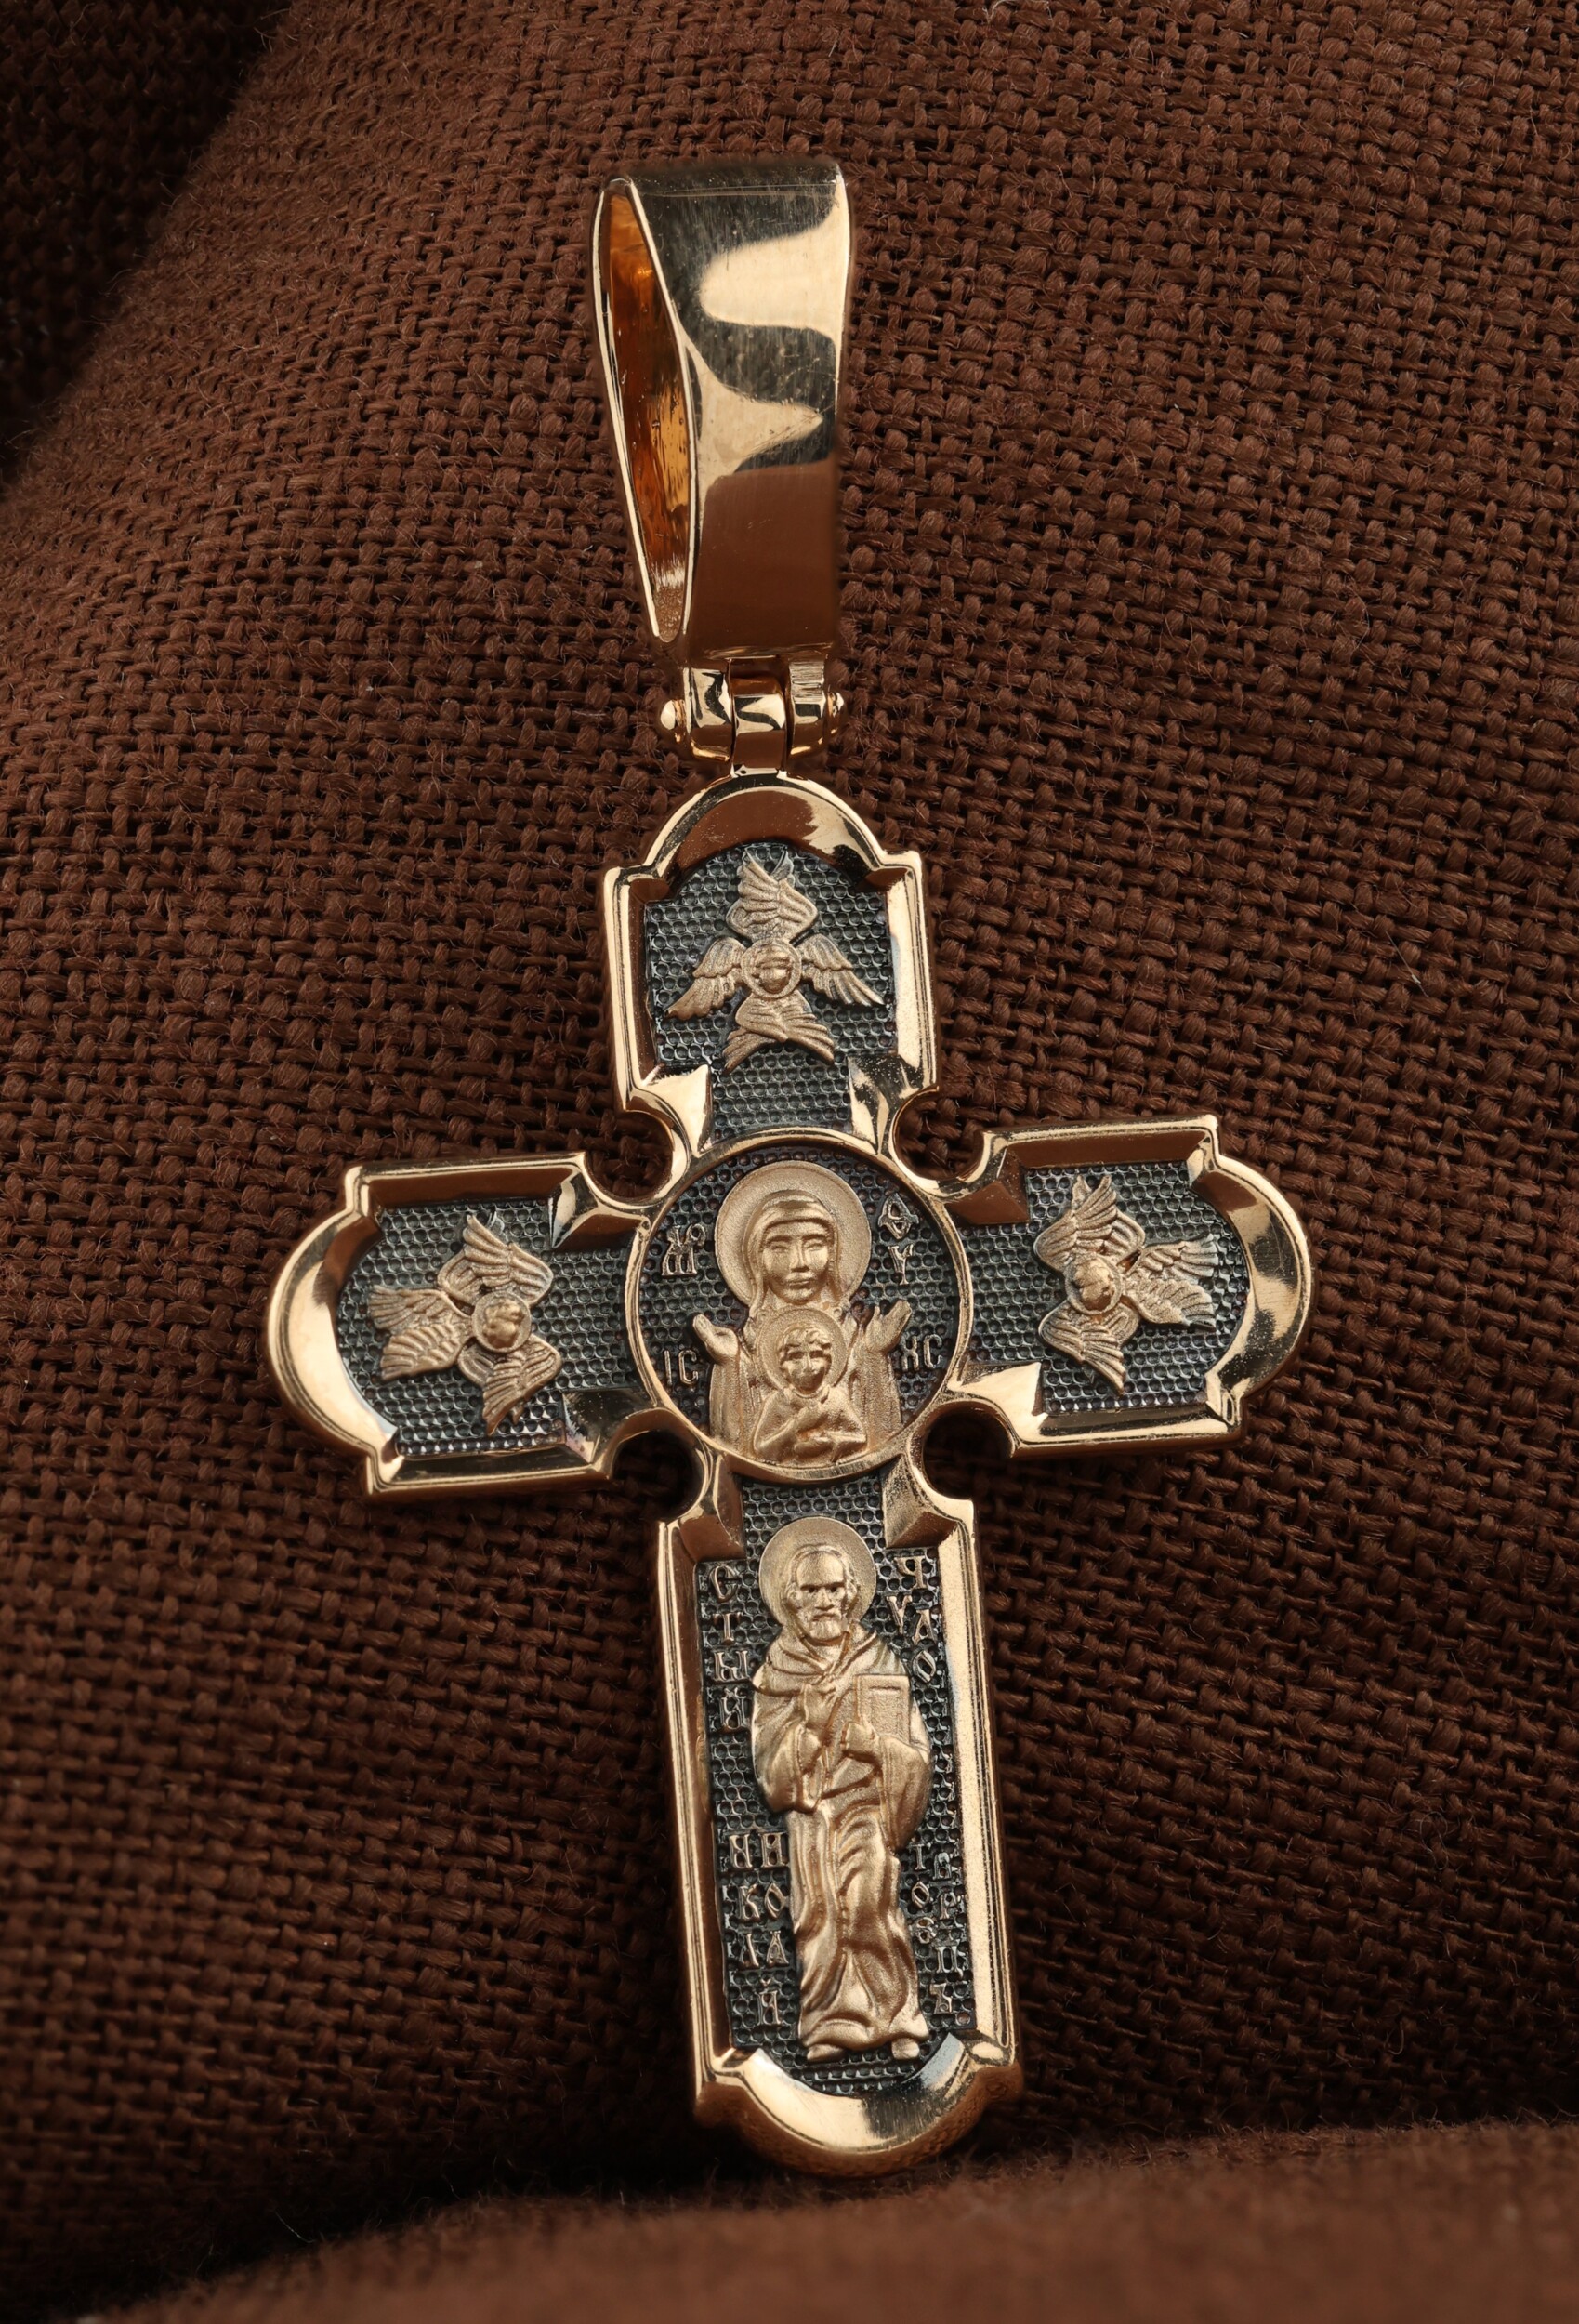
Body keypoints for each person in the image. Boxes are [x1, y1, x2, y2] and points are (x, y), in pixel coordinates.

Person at [751, 1519, 931, 2061]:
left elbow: (916, 1753)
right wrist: (808, 1731)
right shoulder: (778, 1669)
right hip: (815, 1817)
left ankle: (897, 2017)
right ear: (792, 1598)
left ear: (851, 1593)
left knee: (870, 1903)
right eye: (811, 1590)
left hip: (868, 1810)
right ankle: (828, 2025)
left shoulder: (878, 1661)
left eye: (833, 1588)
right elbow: (769, 1769)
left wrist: (876, 1748)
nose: (824, 1601)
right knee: (821, 1916)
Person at [693, 1162, 910, 1463]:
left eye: (814, 1245)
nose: (799, 1263)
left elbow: (882, 1441)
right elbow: (734, 1450)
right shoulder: (744, 1345)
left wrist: (874, 1355)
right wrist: (730, 1364)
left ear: (833, 1255)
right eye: (779, 1248)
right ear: (756, 1261)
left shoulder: (855, 1337)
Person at [751, 1310, 867, 1466]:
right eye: (796, 1357)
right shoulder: (778, 1401)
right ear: (783, 1366)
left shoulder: (836, 1399)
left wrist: (830, 1441)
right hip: (786, 1473)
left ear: (828, 1362)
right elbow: (761, 1450)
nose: (808, 1366)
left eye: (816, 1355)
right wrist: (794, 1427)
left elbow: (860, 1437)